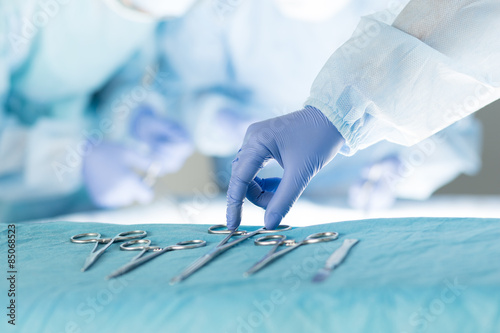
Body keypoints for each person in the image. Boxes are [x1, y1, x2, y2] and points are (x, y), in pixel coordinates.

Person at [225, 0, 500, 230]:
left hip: (367, 206)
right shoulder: (239, 15)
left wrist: (405, 166)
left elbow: (469, 31)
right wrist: (334, 114)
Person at [0, 0, 197, 222]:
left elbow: (118, 81)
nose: (138, 15)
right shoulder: (16, 10)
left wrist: (134, 118)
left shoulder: (148, 12)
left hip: (80, 203)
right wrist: (74, 159)